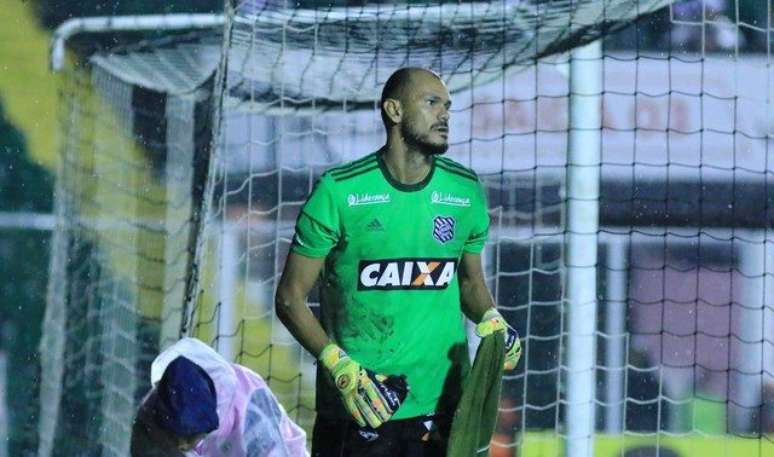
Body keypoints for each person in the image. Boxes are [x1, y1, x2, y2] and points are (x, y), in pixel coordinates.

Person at [275, 67, 521, 457]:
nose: (445, 115)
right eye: (432, 102)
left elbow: (470, 283)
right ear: (393, 110)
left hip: (443, 408)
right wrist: (340, 368)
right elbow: (290, 297)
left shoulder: (465, 190)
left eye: (448, 106)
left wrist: (491, 317)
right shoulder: (339, 191)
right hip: (361, 410)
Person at [130, 337, 309, 457]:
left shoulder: (252, 422)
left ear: (208, 427)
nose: (183, 446)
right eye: (174, 436)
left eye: (188, 438)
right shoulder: (155, 410)